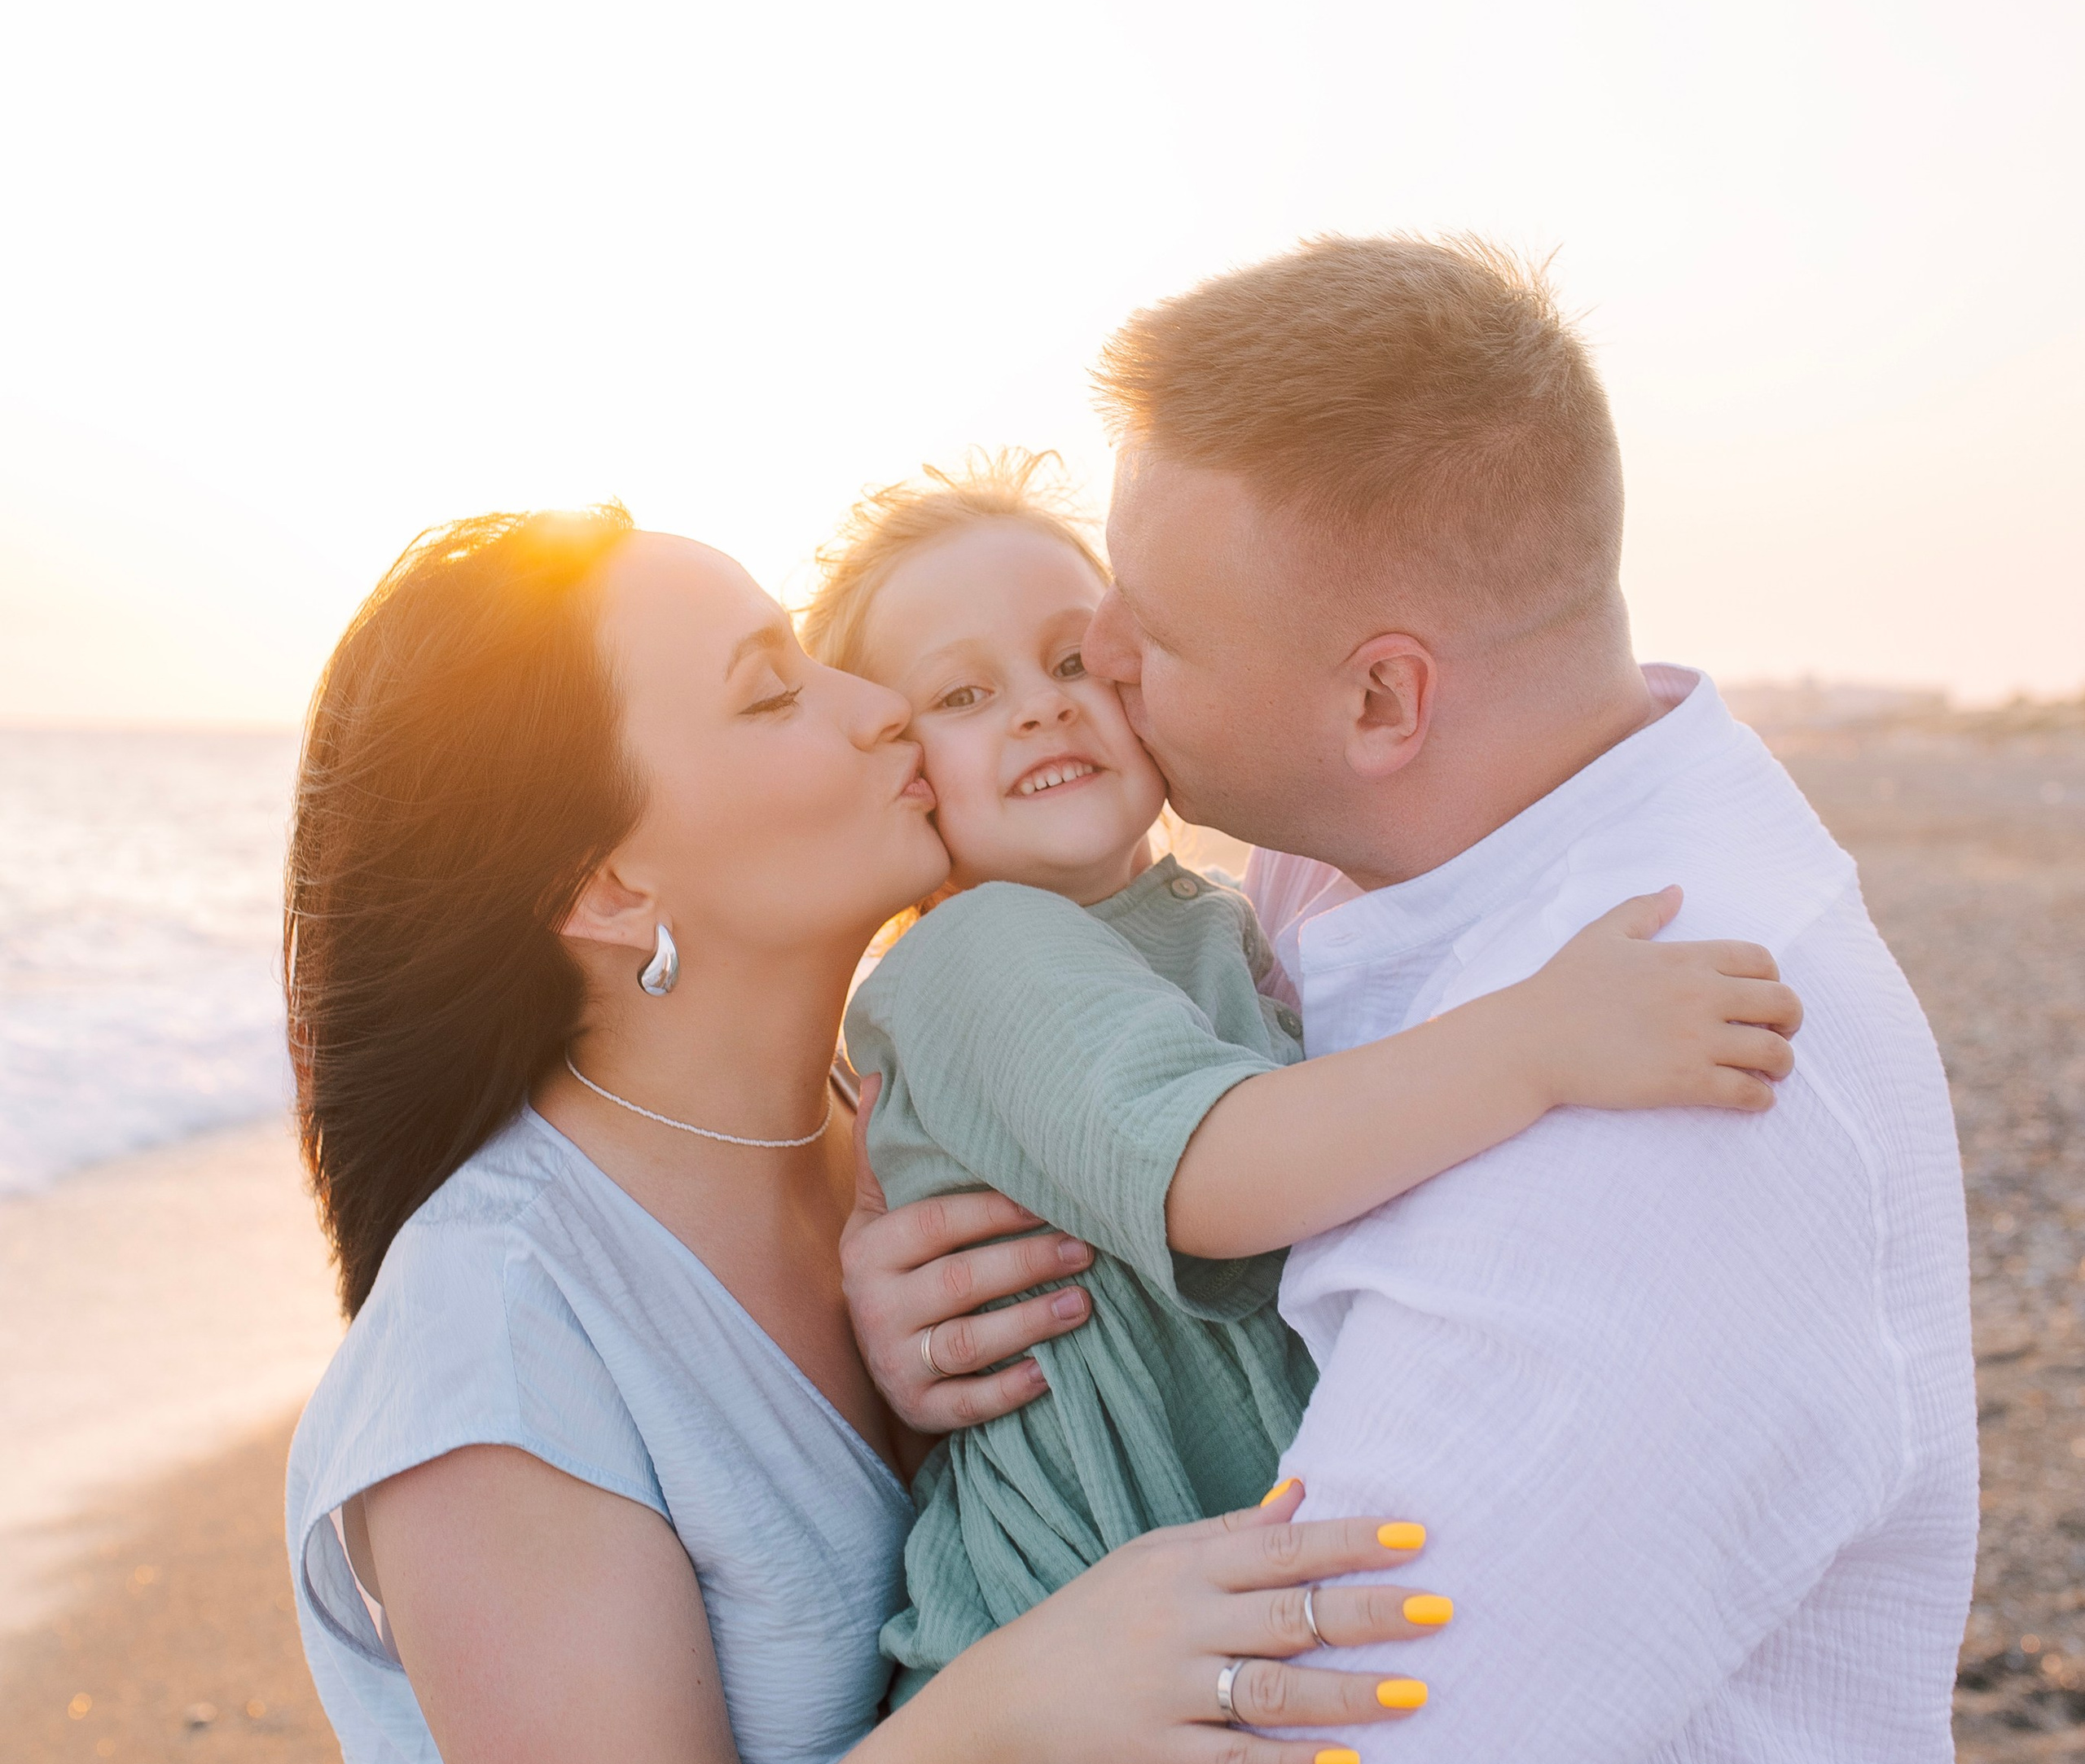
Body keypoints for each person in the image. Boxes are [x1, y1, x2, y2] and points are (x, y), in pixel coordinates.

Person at [280, 505, 1441, 1764]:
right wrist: (1020, 1700)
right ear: (609, 889)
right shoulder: (492, 1343)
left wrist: (921, 1417)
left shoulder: (931, 1116)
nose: (883, 708)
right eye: (774, 694)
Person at [1071, 235, 1980, 1760]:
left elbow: (1332, 1727)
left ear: (1382, 701)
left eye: (1149, 633)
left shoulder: (1661, 1106)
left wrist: (971, 1718)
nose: (1090, 658)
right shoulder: (1387, 855)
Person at [798, 451, 1802, 1709]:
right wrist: (1537, 1040)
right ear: (893, 768)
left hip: (1193, 1625)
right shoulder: (977, 948)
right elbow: (1219, 1172)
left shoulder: (1206, 919)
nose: (1043, 710)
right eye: (961, 694)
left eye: (1072, 663)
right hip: (1054, 1639)